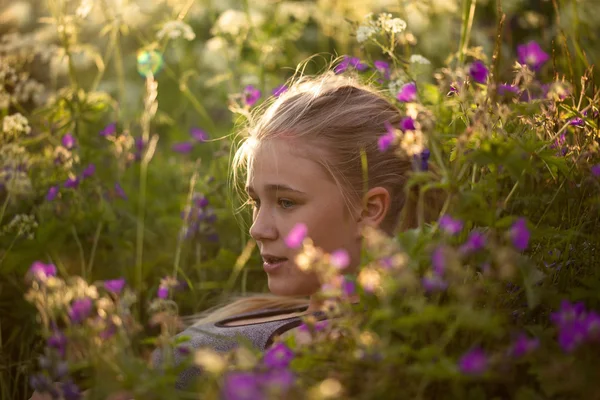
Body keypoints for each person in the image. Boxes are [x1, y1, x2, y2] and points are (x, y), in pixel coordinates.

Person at [31, 68, 443, 397]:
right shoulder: (275, 308)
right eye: (255, 201)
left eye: (286, 202)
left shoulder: (327, 361)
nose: (258, 228)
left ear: (370, 210)